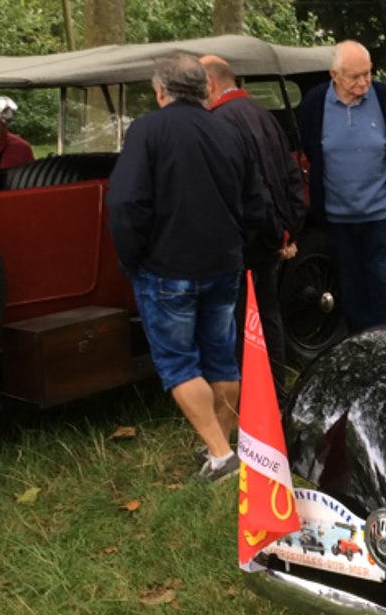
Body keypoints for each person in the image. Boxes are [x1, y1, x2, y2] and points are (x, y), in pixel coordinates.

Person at [106, 54, 265, 482]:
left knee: (179, 364)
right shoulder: (229, 131)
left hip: (166, 267)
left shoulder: (147, 130)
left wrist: (131, 256)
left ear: (160, 91)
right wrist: (238, 244)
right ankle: (222, 444)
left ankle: (220, 455)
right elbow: (257, 203)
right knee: (220, 358)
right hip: (224, 263)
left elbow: (125, 202)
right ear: (207, 88)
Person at [201, 54, 306, 397]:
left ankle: (252, 397)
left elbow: (252, 187)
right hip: (271, 235)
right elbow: (291, 174)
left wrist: (276, 232)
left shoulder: (219, 122)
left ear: (211, 84)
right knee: (269, 313)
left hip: (247, 237)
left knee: (239, 320)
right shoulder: (263, 115)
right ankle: (277, 390)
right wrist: (289, 230)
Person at [299, 40, 386, 333]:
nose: (364, 82)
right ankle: (360, 350)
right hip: (338, 218)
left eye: (368, 73)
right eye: (355, 76)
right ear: (334, 75)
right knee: (352, 293)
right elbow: (312, 151)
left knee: (385, 289)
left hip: (382, 214)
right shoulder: (314, 103)